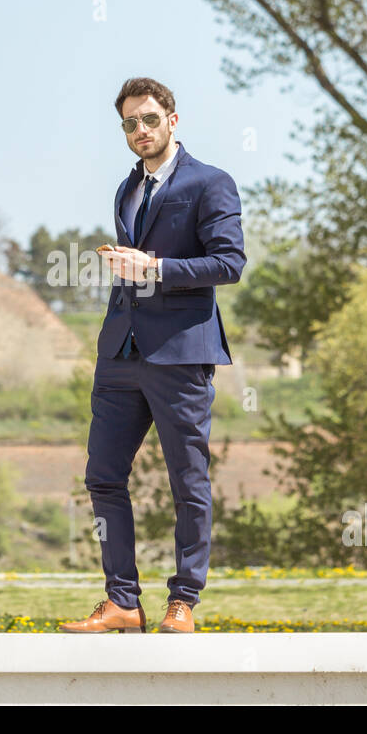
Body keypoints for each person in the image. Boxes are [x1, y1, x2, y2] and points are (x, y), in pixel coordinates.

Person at [60, 77, 246, 634]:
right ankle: (122, 601)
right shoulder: (126, 188)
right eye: (129, 123)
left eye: (149, 119)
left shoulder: (211, 183)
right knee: (102, 477)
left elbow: (229, 263)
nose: (140, 130)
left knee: (187, 480)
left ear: (173, 119)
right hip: (120, 353)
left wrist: (155, 268)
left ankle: (183, 600)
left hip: (182, 355)